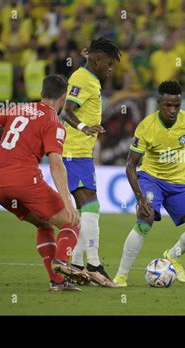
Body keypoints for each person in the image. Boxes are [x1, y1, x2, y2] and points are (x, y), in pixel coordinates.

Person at [0, 74, 90, 292]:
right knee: (72, 222)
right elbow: (56, 164)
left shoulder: (18, 108)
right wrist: (68, 202)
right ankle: (61, 262)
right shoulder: (55, 123)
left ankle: (57, 282)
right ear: (64, 97)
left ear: (41, 94)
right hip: (24, 181)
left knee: (44, 224)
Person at [113, 80, 185, 287]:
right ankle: (121, 276)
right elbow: (131, 165)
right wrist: (140, 197)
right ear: (159, 102)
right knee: (144, 221)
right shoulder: (146, 127)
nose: (173, 110)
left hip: (180, 183)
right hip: (152, 180)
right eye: (168, 105)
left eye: (177, 105)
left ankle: (173, 254)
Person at [61, 37, 121, 287]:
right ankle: (93, 265)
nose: (111, 69)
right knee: (91, 208)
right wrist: (85, 127)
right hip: (73, 152)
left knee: (87, 210)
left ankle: (76, 264)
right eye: (108, 63)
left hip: (79, 153)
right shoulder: (83, 78)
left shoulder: (89, 77)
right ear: (96, 59)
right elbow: (66, 110)